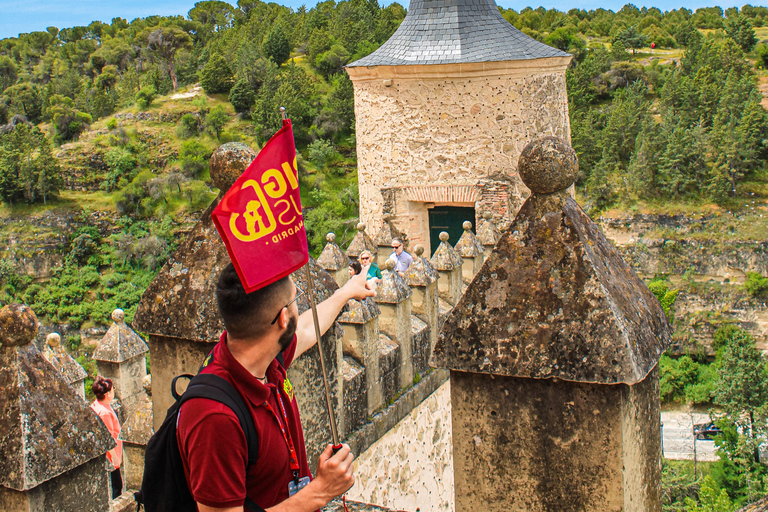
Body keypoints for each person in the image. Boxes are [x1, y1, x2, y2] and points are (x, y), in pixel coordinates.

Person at [176, 263, 375, 512]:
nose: (297, 307)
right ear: (282, 318)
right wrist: (319, 492)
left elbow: (305, 328)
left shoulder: (264, 358)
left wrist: (346, 291)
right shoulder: (215, 418)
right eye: (296, 299)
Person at [90, 376, 123, 499]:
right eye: (113, 389)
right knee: (116, 488)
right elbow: (107, 440)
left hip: (107, 457)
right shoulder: (105, 413)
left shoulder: (97, 405)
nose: (114, 390)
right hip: (110, 458)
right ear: (108, 394)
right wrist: (115, 459)